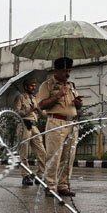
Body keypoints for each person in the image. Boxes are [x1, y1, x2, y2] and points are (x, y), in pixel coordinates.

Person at [36, 57, 82, 198]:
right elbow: (42, 105)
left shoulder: (71, 85)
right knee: (54, 156)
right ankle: (50, 186)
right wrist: (57, 95)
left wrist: (78, 103)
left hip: (72, 123)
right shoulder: (47, 85)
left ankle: (63, 185)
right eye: (64, 71)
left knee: (68, 157)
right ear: (56, 70)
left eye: (69, 70)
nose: (67, 74)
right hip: (56, 122)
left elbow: (77, 105)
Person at [14, 78, 47, 186]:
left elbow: (42, 115)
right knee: (24, 153)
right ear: (25, 87)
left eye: (34, 85)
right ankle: (26, 176)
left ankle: (40, 175)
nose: (34, 87)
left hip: (34, 126)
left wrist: (40, 109)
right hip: (24, 126)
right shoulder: (20, 98)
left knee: (42, 151)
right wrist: (30, 110)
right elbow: (17, 113)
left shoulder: (35, 98)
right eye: (31, 85)